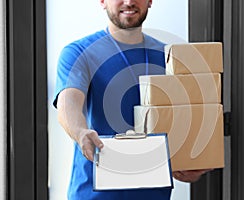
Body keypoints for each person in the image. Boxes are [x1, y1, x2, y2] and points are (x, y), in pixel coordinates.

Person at [54, 0, 210, 199]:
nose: (129, 1)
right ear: (102, 1)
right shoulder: (79, 52)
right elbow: (68, 103)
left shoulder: (170, 57)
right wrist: (80, 131)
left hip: (153, 194)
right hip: (94, 193)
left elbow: (184, 119)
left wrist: (188, 163)